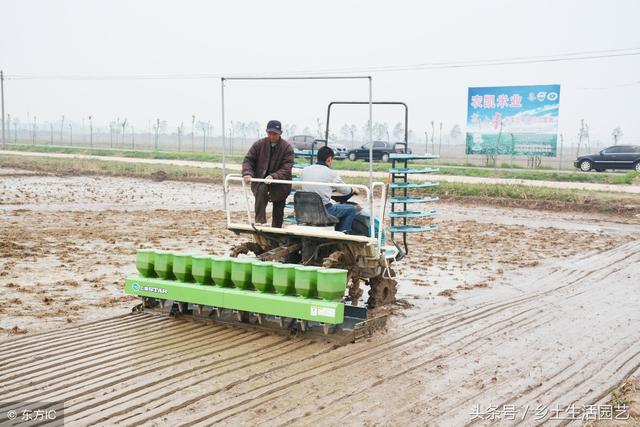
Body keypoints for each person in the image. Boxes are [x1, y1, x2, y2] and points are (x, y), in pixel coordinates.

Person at [241, 120, 294, 228]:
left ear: (280, 133)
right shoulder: (259, 145)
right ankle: (260, 222)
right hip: (261, 180)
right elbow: (248, 160)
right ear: (266, 132)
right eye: (269, 133)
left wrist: (274, 176)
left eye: (275, 134)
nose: (272, 136)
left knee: (279, 209)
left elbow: (287, 167)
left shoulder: (287, 148)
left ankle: (277, 231)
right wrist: (247, 173)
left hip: (280, 184)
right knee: (261, 190)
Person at [301, 146, 360, 233]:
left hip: (306, 209)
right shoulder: (330, 173)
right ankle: (343, 235)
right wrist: (353, 190)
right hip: (324, 210)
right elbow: (345, 190)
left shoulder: (305, 170)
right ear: (329, 159)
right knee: (352, 209)